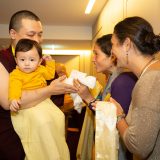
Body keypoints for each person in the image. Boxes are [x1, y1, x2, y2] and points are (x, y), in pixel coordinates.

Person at [0, 10, 76, 159]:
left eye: (40, 34)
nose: (37, 39)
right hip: (11, 136)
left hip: (45, 130)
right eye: (31, 34)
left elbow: (55, 95)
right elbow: (6, 102)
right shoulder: (3, 59)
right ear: (13, 34)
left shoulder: (40, 61)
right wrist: (49, 90)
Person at [74, 34, 137, 160]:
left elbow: (111, 122)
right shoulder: (113, 78)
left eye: (96, 54)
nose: (93, 59)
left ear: (112, 56)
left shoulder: (122, 81)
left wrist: (87, 97)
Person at [8, 38, 69, 159]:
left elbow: (50, 75)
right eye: (22, 59)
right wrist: (13, 99)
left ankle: (55, 147)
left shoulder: (40, 69)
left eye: (32, 60)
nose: (26, 63)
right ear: (16, 60)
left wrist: (51, 63)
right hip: (29, 104)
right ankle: (43, 151)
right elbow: (14, 87)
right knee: (42, 123)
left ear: (40, 61)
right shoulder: (16, 74)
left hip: (44, 100)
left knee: (59, 116)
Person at [110, 16, 160, 160]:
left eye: (113, 44)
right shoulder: (152, 73)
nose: (111, 51)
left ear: (126, 44)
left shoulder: (150, 80)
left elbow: (139, 146)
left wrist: (118, 116)